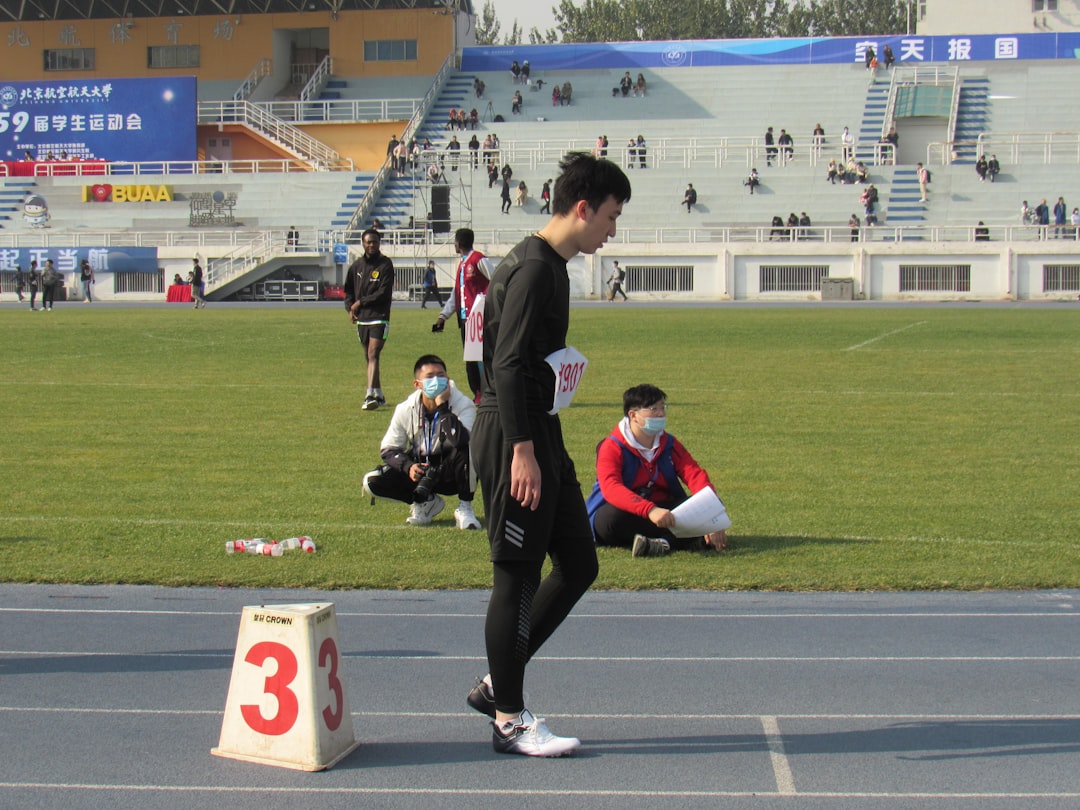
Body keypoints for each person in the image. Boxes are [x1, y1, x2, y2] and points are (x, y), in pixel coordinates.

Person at [467, 151, 631, 757]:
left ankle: (496, 684)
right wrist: (522, 450)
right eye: (611, 217)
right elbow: (503, 363)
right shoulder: (534, 268)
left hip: (541, 429)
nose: (613, 230)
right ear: (582, 208)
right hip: (516, 434)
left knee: (579, 563)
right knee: (516, 574)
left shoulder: (551, 265)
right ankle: (509, 719)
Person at [586, 384, 728, 557]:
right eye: (653, 409)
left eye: (662, 408)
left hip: (664, 512)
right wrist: (650, 510)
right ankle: (685, 539)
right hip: (630, 512)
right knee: (609, 519)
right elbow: (611, 488)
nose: (660, 414)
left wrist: (711, 514)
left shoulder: (669, 443)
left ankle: (663, 544)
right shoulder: (611, 446)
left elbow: (694, 474)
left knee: (703, 504)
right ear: (633, 415)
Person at [361, 354, 480, 529]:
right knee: (371, 482)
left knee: (470, 448)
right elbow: (388, 449)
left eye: (441, 376)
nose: (437, 381)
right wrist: (408, 467)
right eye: (430, 377)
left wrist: (443, 408)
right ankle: (425, 502)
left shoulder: (463, 404)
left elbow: (461, 441)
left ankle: (465, 508)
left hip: (452, 472)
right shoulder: (405, 408)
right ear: (417, 384)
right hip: (421, 469)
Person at [434, 227, 493, 401]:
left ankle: (486, 392)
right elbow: (457, 294)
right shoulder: (463, 263)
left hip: (479, 318)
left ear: (458, 243)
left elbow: (497, 279)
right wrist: (444, 315)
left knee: (481, 356)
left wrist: (484, 303)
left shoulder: (478, 259)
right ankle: (478, 393)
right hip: (465, 319)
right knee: (471, 358)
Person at [344, 228, 395, 411]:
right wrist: (350, 307)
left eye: (374, 241)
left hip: (379, 317)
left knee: (373, 353)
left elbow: (383, 292)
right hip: (362, 319)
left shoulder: (385, 265)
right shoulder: (357, 266)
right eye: (368, 242)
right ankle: (379, 394)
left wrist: (360, 302)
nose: (371, 245)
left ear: (379, 243)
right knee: (369, 357)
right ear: (363, 243)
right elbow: (348, 289)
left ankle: (369, 395)